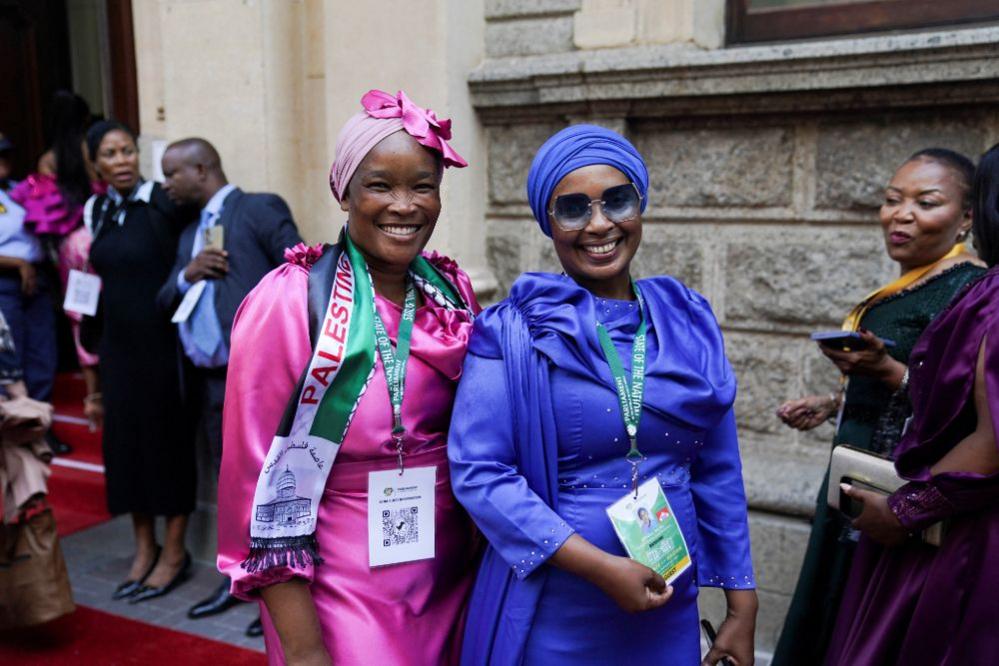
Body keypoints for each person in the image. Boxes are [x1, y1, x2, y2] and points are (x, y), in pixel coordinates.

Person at [448, 124, 757, 665]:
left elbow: (718, 470)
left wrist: (741, 604)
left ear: (640, 204)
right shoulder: (512, 330)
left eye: (616, 201)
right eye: (573, 208)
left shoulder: (689, 320)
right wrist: (599, 567)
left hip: (669, 599)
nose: (599, 224)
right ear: (548, 222)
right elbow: (480, 471)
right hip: (558, 600)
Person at [217, 89, 480, 665]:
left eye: (423, 186)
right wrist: (306, 649)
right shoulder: (289, 302)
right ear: (344, 191)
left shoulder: (448, 293)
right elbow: (256, 481)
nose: (405, 206)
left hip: (449, 569)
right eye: (381, 185)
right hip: (342, 578)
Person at [772, 148, 986, 665]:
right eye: (892, 200)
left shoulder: (969, 290)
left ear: (967, 218)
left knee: (861, 619)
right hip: (853, 470)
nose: (901, 213)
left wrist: (887, 370)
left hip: (897, 488)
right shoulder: (913, 282)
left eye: (926, 202)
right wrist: (833, 403)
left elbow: (964, 404)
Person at [157, 137, 302, 633]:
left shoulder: (257, 208)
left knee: (279, 484)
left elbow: (301, 276)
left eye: (172, 173)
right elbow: (163, 298)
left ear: (201, 169)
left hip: (263, 383)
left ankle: (286, 592)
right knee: (233, 484)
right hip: (211, 385)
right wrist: (187, 274)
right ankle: (240, 578)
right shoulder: (188, 234)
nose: (166, 184)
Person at [84, 120, 197, 604]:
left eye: (128, 150)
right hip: (117, 350)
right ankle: (142, 547)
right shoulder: (98, 209)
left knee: (166, 447)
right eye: (110, 154)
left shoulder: (163, 201)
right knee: (126, 449)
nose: (122, 160)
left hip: (161, 348)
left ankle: (174, 552)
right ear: (96, 164)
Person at [0, 133, 57, 409]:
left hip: (36, 277)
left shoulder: (19, 190)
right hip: (5, 281)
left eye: (5, 153)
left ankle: (40, 424)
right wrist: (19, 264)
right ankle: (16, 429)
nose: (2, 160)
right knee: (11, 356)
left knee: (42, 353)